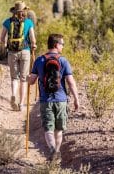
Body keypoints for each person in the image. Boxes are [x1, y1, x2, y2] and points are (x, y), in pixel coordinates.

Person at [28, 33, 79, 161]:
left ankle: (52, 150)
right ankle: (56, 151)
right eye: (62, 44)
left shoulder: (39, 60)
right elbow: (71, 82)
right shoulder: (63, 61)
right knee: (59, 130)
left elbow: (32, 81)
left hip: (46, 101)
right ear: (56, 45)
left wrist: (28, 78)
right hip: (61, 100)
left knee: (48, 129)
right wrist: (76, 99)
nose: (63, 47)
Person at [0, 1, 37, 111]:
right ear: (25, 11)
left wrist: (6, 45)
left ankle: (14, 95)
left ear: (14, 11)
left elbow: (1, 38)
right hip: (25, 52)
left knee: (14, 78)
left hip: (12, 53)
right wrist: (34, 45)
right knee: (24, 79)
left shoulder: (7, 22)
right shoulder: (29, 22)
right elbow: (32, 39)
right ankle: (21, 104)